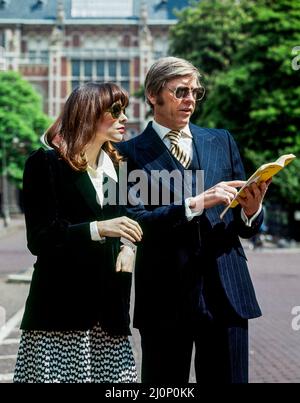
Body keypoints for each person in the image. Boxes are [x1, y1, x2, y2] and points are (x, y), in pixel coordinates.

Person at [116, 57, 271, 383]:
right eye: (181, 92)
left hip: (227, 291)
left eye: (195, 93)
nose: (190, 100)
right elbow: (136, 221)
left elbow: (245, 225)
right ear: (153, 94)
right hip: (165, 295)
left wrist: (251, 210)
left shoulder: (222, 140)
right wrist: (196, 202)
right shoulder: (126, 153)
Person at [13, 82, 143, 383]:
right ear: (88, 114)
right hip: (60, 316)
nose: (124, 117)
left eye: (124, 109)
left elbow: (127, 221)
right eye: (115, 110)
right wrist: (98, 229)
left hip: (110, 315)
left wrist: (128, 247)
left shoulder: (118, 168)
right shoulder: (45, 163)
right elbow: (41, 239)